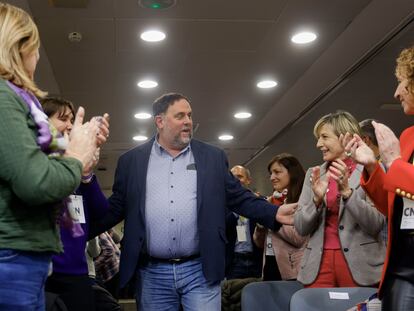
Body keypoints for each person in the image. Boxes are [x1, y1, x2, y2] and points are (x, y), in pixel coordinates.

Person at [91, 92, 297, 310]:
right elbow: (115, 208)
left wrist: (273, 213)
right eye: (180, 116)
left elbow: (238, 197)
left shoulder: (211, 157)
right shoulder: (132, 161)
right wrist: (76, 234)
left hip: (200, 270)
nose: (188, 121)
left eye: (189, 115)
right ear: (160, 121)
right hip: (152, 273)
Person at [0, 3, 106, 310]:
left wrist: (79, 154)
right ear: (19, 47)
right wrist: (75, 155)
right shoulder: (5, 98)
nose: (36, 58)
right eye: (34, 49)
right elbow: (35, 182)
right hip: (11, 258)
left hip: (21, 257)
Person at [344, 46, 414, 310]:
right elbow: (393, 207)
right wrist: (373, 168)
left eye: (402, 83)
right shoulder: (407, 136)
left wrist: (394, 163)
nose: (396, 92)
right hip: (403, 263)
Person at [294, 110, 386, 288]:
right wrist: (316, 201)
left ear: (345, 137)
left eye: (324, 137)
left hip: (362, 266)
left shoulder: (370, 169)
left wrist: (348, 194)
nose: (319, 144)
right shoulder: (313, 175)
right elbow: (300, 227)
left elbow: (376, 224)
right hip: (318, 267)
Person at [41, 97, 110, 311]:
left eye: (72, 120)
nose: (71, 126)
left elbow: (102, 212)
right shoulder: (35, 165)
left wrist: (87, 174)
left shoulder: (78, 168)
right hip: (42, 273)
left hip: (77, 274)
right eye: (63, 119)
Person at [254, 153, 307, 281]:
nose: (272, 177)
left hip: (293, 270)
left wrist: (273, 216)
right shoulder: (271, 201)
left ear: (292, 173)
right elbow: (259, 243)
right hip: (270, 265)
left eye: (277, 172)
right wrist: (261, 225)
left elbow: (298, 238)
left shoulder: (304, 200)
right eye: (271, 173)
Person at [225, 165, 263, 279]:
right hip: (233, 262)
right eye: (233, 177)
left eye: (240, 176)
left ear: (248, 180)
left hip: (256, 261)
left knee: (255, 295)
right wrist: (236, 209)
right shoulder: (222, 204)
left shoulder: (258, 202)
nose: (236, 180)